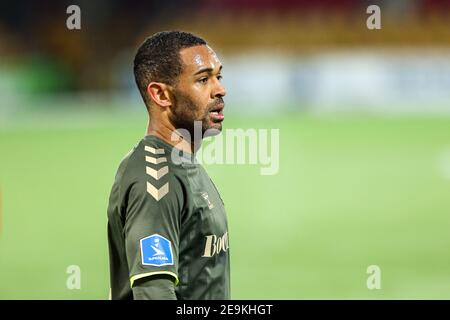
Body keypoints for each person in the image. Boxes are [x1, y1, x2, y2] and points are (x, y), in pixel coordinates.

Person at [107, 31, 230, 300]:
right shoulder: (156, 181)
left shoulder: (180, 164)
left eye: (218, 76)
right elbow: (154, 291)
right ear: (161, 94)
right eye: (203, 79)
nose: (220, 89)